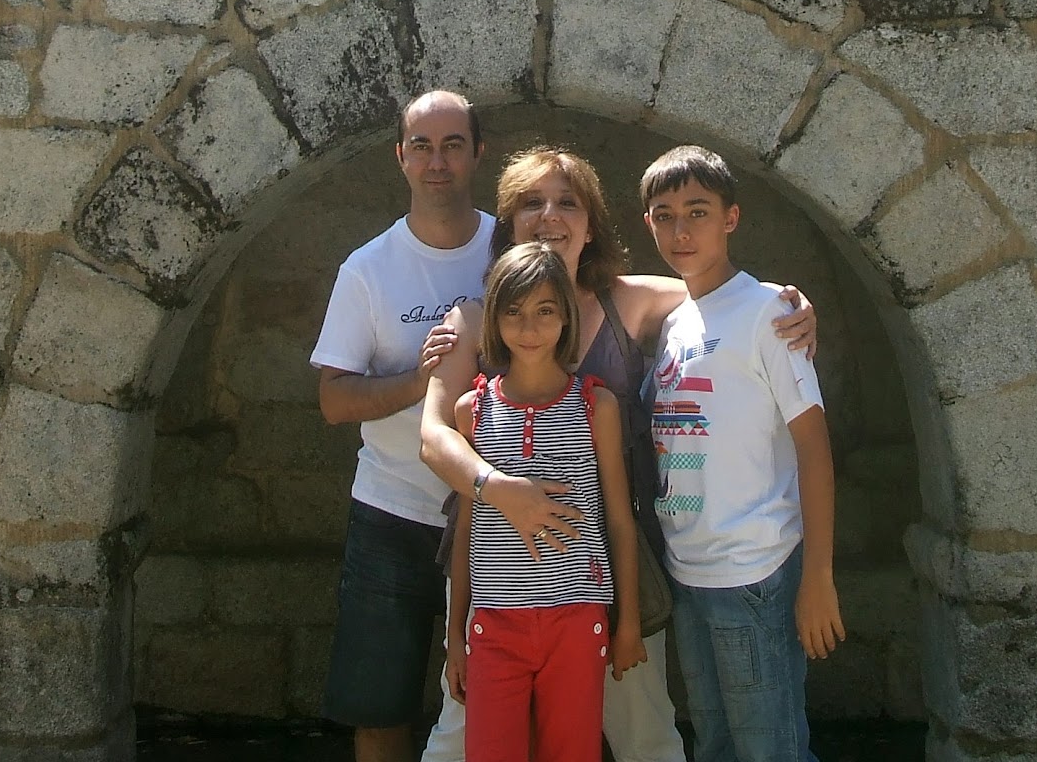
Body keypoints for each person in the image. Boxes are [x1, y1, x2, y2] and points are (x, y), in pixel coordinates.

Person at [419, 145, 818, 762]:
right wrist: (504, 492)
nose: (550, 216)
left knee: (643, 730)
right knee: (459, 737)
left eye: (567, 203)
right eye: (531, 202)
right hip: (497, 560)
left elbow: (724, 293)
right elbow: (434, 435)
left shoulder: (629, 300)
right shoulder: (474, 317)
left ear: (591, 224)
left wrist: (791, 305)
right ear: (508, 222)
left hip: (607, 560)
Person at [641, 145, 844, 762]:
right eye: (665, 215)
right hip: (689, 569)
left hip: (755, 569)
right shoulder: (676, 323)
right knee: (717, 746)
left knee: (770, 750)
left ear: (731, 217)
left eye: (697, 212)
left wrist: (819, 577)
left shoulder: (768, 313)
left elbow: (813, 448)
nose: (681, 230)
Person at [311, 90, 489, 762]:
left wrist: (768, 301)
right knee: (379, 704)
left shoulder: (510, 250)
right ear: (401, 158)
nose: (437, 162)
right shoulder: (368, 269)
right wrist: (421, 382)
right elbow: (333, 400)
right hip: (392, 512)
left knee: (495, 698)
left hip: (494, 515)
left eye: (452, 145)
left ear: (478, 154)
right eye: (422, 146)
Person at [445, 242, 646, 762]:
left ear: (566, 318)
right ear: (494, 318)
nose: (529, 327)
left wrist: (628, 623)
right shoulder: (473, 410)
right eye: (513, 311)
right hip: (495, 624)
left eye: (545, 311)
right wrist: (455, 636)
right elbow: (466, 531)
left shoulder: (595, 405)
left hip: (578, 620)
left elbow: (619, 521)